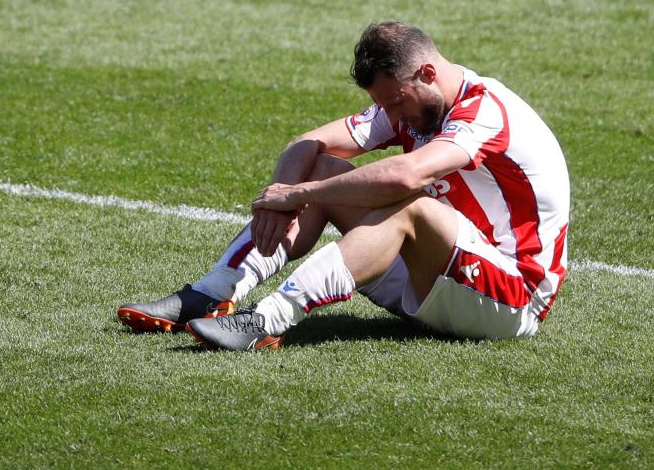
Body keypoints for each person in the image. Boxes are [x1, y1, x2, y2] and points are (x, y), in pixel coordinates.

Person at [118, 21, 570, 350]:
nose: (392, 118)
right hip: (438, 276)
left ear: (427, 74)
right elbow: (308, 143)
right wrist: (282, 194)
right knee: (320, 168)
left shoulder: (486, 112)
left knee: (408, 205)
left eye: (395, 102)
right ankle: (212, 293)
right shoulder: (412, 101)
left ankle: (268, 320)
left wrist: (298, 196)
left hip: (510, 298)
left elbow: (406, 175)